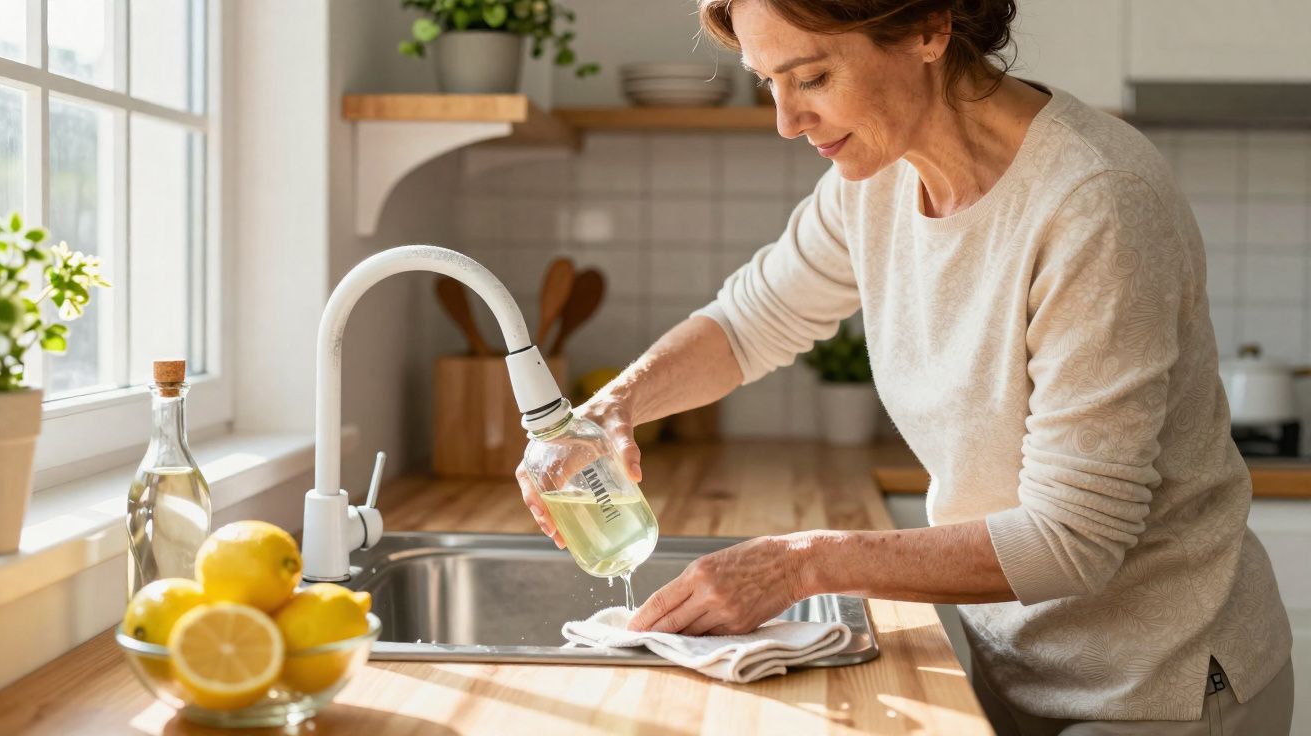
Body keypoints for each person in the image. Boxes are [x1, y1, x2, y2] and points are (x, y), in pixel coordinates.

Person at [515, 1, 1294, 732]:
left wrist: (800, 564)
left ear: (927, 26)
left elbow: (1073, 539)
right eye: (769, 85)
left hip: (1160, 689)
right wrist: (609, 409)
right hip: (1010, 666)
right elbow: (748, 323)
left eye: (813, 76)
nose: (787, 122)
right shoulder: (878, 176)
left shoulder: (1095, 201)